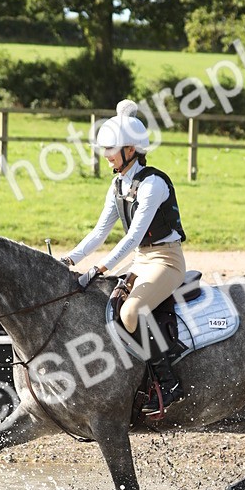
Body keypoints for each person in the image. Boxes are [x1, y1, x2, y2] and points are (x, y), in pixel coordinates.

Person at [60, 100, 187, 415]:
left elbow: (132, 237)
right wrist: (71, 259)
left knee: (130, 313)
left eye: (111, 149)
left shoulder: (153, 183)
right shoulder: (117, 184)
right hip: (142, 261)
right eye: (104, 149)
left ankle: (169, 383)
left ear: (131, 149)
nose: (106, 156)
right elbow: (100, 231)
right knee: (109, 308)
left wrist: (101, 267)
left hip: (166, 261)